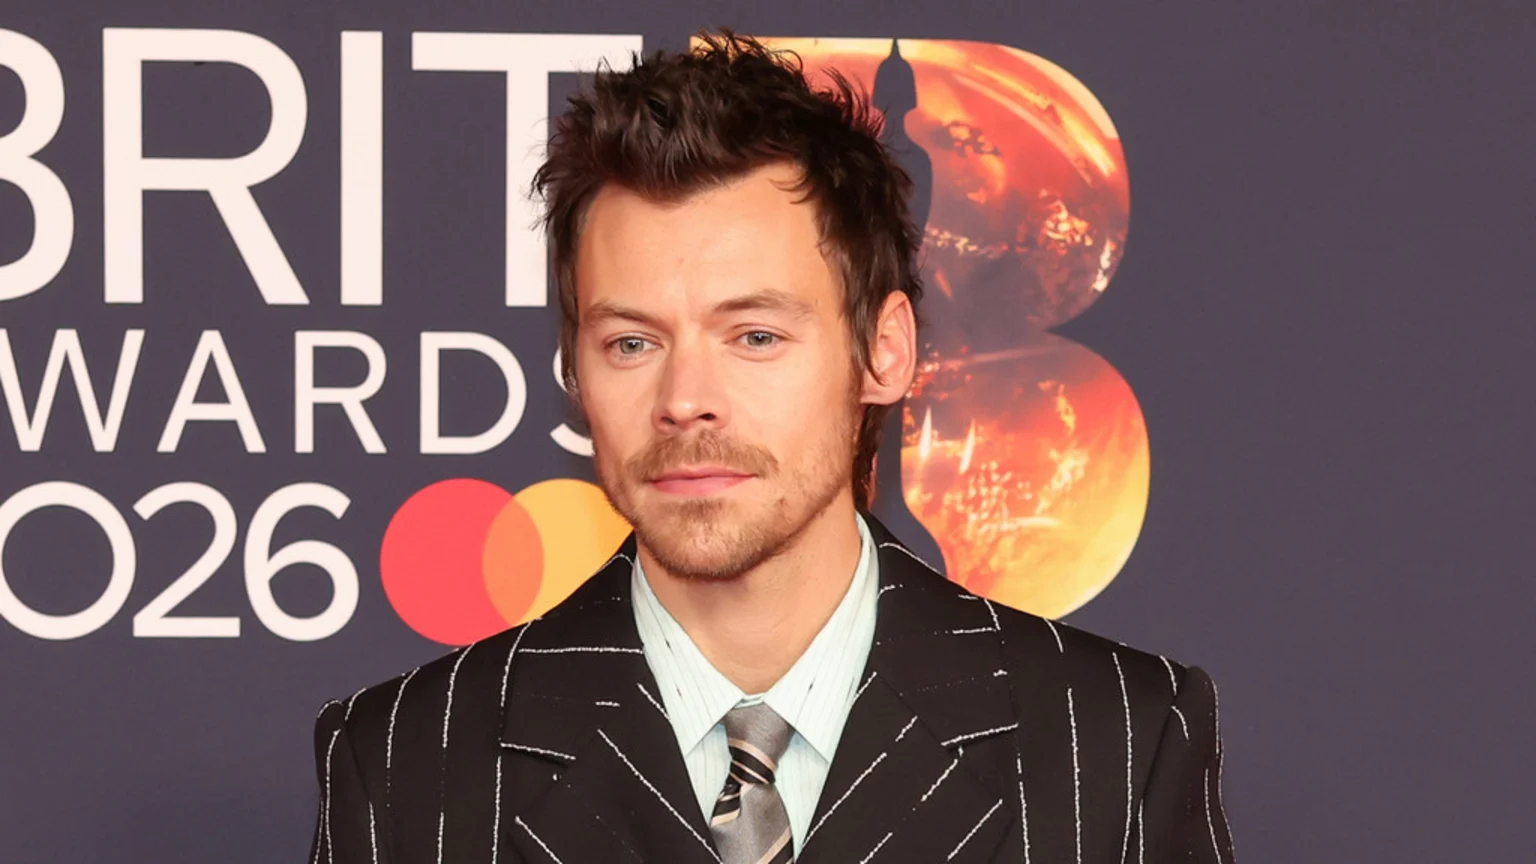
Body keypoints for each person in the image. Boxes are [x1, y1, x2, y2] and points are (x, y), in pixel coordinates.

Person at [308, 30, 1235, 864]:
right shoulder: (407, 768)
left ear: (885, 350)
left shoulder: (1114, 743)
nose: (685, 402)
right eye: (632, 342)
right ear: (576, 369)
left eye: (754, 336)